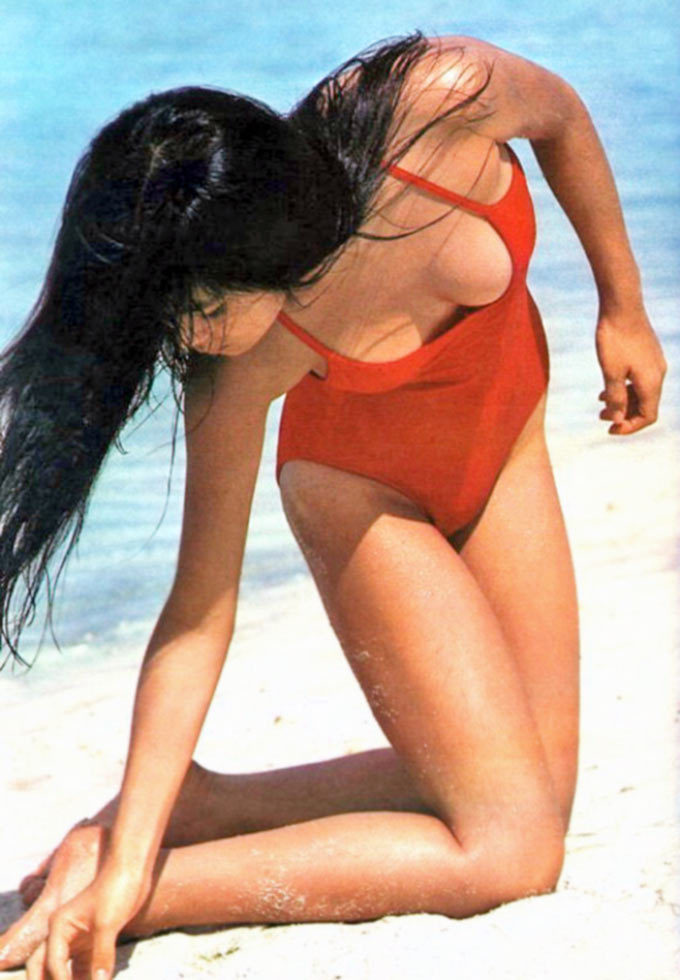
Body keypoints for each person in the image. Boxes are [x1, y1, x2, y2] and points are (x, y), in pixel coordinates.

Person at [0, 30, 666, 980]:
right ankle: (143, 885)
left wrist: (623, 308)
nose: (182, 337)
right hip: (362, 493)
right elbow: (199, 612)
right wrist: (131, 866)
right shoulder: (231, 374)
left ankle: (206, 806)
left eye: (189, 306)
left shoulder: (430, 101)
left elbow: (560, 114)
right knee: (513, 852)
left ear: (251, 244)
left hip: (504, 445)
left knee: (539, 790)